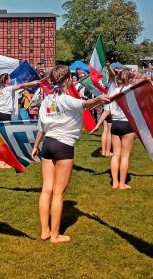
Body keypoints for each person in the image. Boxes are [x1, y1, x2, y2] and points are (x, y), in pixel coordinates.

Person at [31, 65, 110, 243]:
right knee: (58, 193)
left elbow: (42, 126)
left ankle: (45, 231)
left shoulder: (47, 99)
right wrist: (99, 98)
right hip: (63, 146)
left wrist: (36, 146)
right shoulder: (67, 99)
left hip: (48, 144)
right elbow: (85, 104)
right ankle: (55, 235)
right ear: (68, 80)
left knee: (46, 189)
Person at [0, 73, 41, 167]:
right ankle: (3, 163)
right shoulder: (8, 89)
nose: (11, 79)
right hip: (5, 115)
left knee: (1, 139)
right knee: (6, 139)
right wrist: (34, 82)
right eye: (9, 78)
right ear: (6, 80)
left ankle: (2, 162)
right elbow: (22, 85)